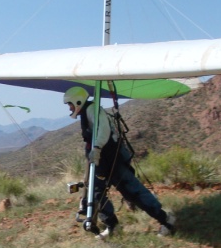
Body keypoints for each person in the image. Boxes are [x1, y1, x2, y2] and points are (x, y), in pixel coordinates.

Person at [63, 86, 176, 238]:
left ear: (78, 100)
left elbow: (103, 129)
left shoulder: (92, 110)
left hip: (111, 159)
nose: (69, 107)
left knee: (132, 190)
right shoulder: (86, 112)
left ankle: (166, 220)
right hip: (100, 162)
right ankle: (112, 226)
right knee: (97, 193)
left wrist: (96, 148)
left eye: (70, 104)